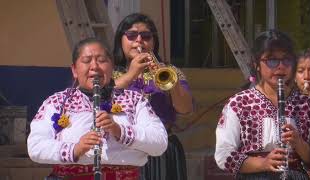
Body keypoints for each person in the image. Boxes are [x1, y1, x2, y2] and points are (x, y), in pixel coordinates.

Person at [27, 38, 168, 180]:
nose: (94, 66)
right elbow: (35, 147)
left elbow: (160, 142)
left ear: (111, 67)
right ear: (74, 70)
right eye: (87, 60)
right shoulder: (57, 102)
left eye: (101, 60)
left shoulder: (134, 100)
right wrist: (76, 149)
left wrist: (119, 130)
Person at [215, 30, 310, 179]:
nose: (280, 66)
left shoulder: (307, 105)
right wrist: (263, 163)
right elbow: (224, 156)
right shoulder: (240, 103)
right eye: (272, 60)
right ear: (257, 65)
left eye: (286, 60)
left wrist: (298, 143)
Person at [112, 13, 193, 180]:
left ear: (154, 42)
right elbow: (99, 99)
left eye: (146, 36)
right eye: (132, 35)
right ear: (121, 40)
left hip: (163, 149)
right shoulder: (111, 73)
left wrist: (172, 82)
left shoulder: (170, 71)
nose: (139, 40)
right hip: (122, 150)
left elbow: (185, 109)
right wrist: (131, 74)